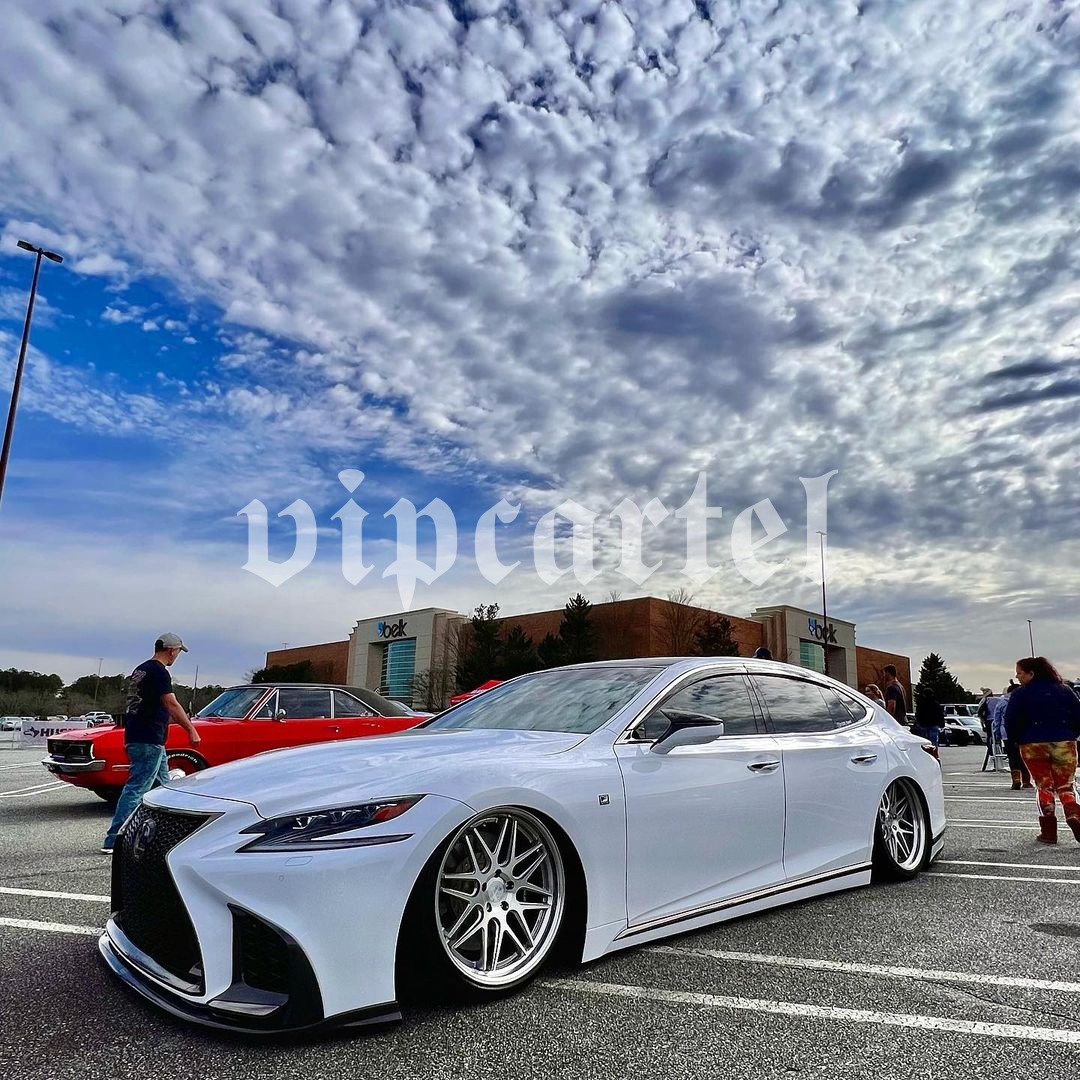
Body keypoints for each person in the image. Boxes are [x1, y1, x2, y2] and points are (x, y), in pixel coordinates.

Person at [101, 634, 201, 853]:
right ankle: (114, 839)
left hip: (139, 734)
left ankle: (171, 836)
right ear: (172, 650)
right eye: (178, 652)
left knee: (165, 787)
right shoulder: (159, 672)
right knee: (137, 787)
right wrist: (191, 729)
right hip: (149, 738)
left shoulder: (141, 669)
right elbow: (171, 703)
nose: (177, 656)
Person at [1004, 656, 1080, 845]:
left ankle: (1048, 832)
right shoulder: (1065, 691)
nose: (1017, 677)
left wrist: (1016, 740)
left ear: (1031, 673)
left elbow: (1011, 721)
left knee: (1044, 785)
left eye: (1020, 673)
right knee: (1066, 785)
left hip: (1032, 744)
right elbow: (1078, 715)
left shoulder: (1020, 694)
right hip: (1064, 741)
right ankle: (1074, 815)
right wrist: (1071, 733)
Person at [993, 685, 1032, 790]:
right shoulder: (1024, 700)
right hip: (1023, 732)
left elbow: (996, 719)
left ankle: (1016, 781)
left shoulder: (1002, 701)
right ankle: (1026, 781)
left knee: (1012, 756)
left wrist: (997, 732)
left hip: (1006, 732)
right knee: (1024, 756)